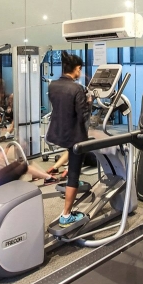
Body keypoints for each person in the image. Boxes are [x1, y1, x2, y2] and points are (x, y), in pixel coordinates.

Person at [46, 51, 91, 226]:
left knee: (72, 159)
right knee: (74, 171)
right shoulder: (76, 88)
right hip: (74, 136)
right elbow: (83, 116)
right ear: (77, 69)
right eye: (80, 69)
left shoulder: (53, 85)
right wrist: (89, 102)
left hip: (58, 132)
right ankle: (66, 215)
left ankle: (72, 178)